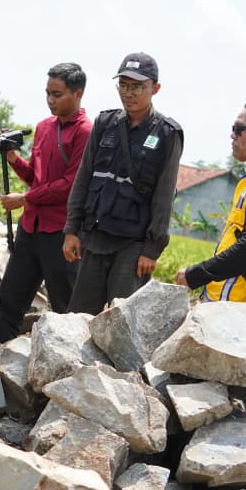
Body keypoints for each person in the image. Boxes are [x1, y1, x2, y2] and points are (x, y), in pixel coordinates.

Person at [63, 52, 183, 314]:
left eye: (138, 87)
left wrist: (152, 249)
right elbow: (83, 178)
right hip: (94, 237)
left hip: (132, 246)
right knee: (78, 317)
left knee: (123, 321)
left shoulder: (166, 133)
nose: (129, 93)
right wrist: (72, 229)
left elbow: (164, 197)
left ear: (155, 88)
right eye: (124, 86)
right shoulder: (105, 123)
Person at [0, 63, 92, 348]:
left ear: (78, 93)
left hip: (60, 233)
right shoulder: (44, 127)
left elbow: (71, 184)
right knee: (8, 300)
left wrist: (25, 199)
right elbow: (35, 177)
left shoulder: (85, 131)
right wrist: (13, 159)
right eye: (48, 93)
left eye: (57, 94)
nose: (50, 100)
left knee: (65, 308)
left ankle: (67, 370)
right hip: (30, 229)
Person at [175, 99, 246, 304]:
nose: (232, 135)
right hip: (227, 302)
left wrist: (196, 275)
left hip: (240, 306)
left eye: (239, 129)